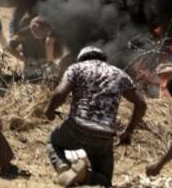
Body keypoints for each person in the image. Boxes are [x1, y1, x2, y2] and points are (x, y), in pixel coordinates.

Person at [44, 46, 147, 187]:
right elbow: (141, 104)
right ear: (104, 59)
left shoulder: (76, 68)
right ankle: (84, 176)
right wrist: (128, 131)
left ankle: (65, 168)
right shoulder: (119, 74)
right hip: (105, 136)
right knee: (105, 182)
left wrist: (49, 111)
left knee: (53, 142)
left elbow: (60, 93)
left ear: (81, 59)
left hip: (76, 128)